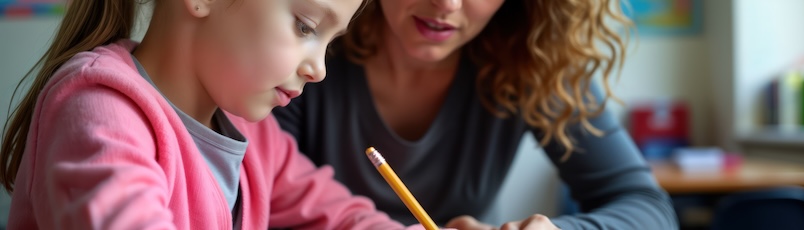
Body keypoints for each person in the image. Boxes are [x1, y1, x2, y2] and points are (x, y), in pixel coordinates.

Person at [0, 0, 414, 229]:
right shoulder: (100, 110)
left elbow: (341, 217)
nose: (319, 69)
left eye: (329, 41)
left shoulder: (257, 135)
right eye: (306, 27)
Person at [273, 0, 679, 229]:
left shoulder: (533, 62)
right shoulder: (304, 53)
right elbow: (259, 197)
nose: (447, 4)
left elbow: (649, 208)